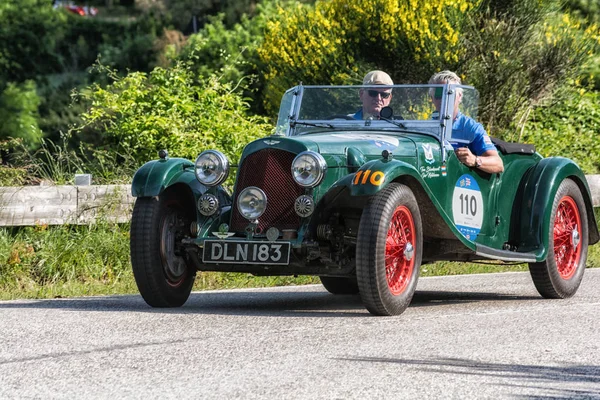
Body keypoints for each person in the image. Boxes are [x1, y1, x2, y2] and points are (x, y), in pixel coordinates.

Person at [429, 70, 504, 174]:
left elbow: (498, 164)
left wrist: (474, 160)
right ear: (431, 99)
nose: (444, 100)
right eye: (438, 96)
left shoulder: (470, 127)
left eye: (450, 95)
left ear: (459, 97)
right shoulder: (426, 126)